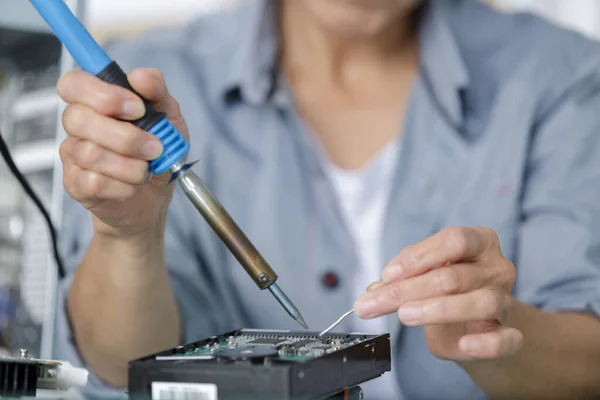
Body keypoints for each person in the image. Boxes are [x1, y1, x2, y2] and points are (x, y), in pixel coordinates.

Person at [53, 0, 600, 398]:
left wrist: (495, 333)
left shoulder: (560, 73)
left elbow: (588, 365)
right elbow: (121, 367)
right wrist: (126, 235)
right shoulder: (146, 83)